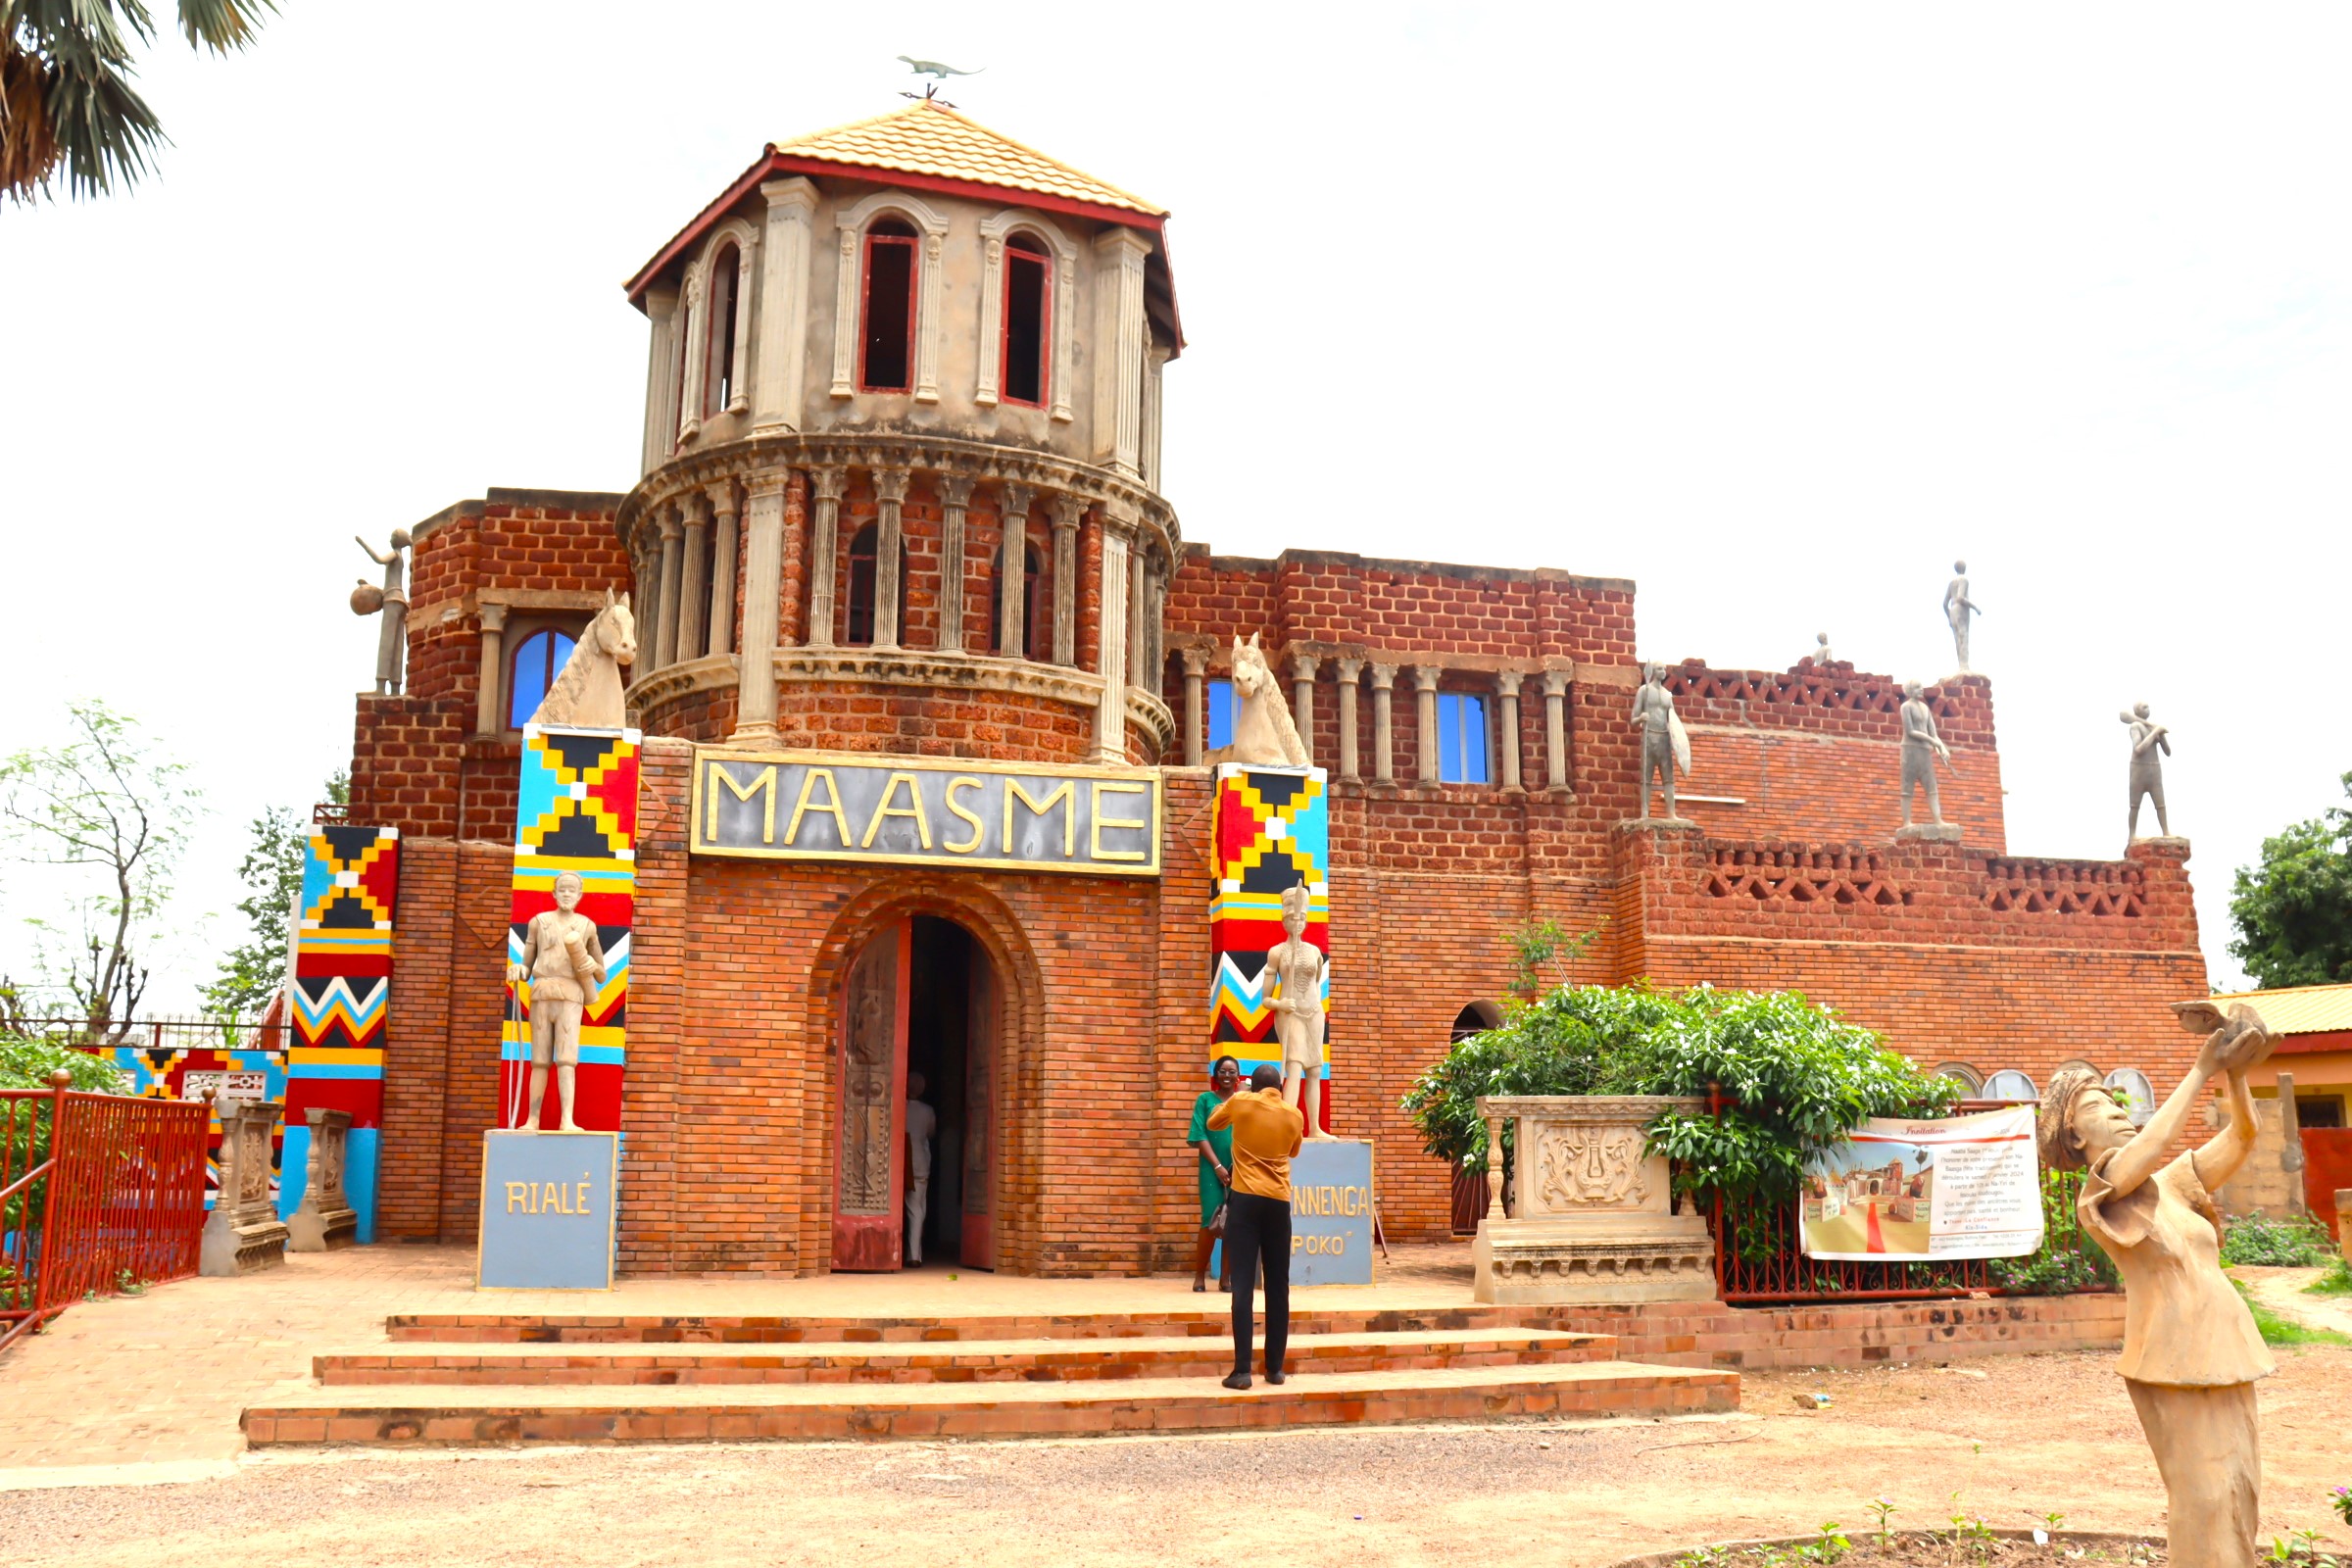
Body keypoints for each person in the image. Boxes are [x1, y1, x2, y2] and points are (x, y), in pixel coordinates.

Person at [2037, 1005, 2274, 1568]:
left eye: (2117, 1101)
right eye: (2097, 1106)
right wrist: (2199, 1069)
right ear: (2073, 1132)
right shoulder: (2102, 1194)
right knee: (2204, 1496)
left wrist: (2235, 1071)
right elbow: (2144, 1153)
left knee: (2241, 1488)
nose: (2117, 1112)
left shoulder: (2171, 1185)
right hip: (2171, 1359)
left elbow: (2243, 1138)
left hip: (2226, 1347)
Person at [1207, 1064, 1303, 1391]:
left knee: (1243, 1285)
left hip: (1246, 1201)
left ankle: (1242, 1372)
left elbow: (1212, 1123)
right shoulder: (1294, 1115)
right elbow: (1293, 1150)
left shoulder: (1241, 1102)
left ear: (1254, 1086)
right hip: (1278, 1203)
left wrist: (1242, 1098)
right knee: (1278, 1287)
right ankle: (1275, 1369)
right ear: (1279, 1086)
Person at [507, 869, 604, 1133]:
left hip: (571, 994)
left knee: (566, 1059)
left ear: (580, 895)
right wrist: (517, 970)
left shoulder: (587, 926)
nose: (567, 894)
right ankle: (532, 1119)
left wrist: (589, 963)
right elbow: (527, 966)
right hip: (541, 992)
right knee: (539, 1060)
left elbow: (601, 973)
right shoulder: (539, 922)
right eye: (562, 889)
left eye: (572, 890)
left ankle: (567, 1120)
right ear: (554, 893)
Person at [1265, 884, 1335, 1143]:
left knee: (1314, 1070)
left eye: (1302, 917)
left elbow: (1316, 984)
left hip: (1313, 1013)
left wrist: (1315, 1008)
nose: (1298, 922)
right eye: (1293, 917)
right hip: (1290, 1014)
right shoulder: (1277, 952)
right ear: (1284, 919)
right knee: (1293, 1068)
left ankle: (1314, 1127)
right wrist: (1281, 1005)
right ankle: (1288, 1128)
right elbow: (1266, 998)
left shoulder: (1315, 951)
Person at [1188, 1056, 1242, 1292]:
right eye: (1222, 1071)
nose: (1227, 1075)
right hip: (1211, 1169)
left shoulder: (1243, 1102)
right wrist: (1218, 1166)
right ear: (1216, 1074)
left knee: (1233, 1223)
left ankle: (1225, 1280)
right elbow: (1199, 1135)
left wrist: (1234, 1166)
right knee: (1209, 1219)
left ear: (1238, 1076)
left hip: (1239, 1169)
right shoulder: (1205, 1100)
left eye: (1231, 1071)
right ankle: (1199, 1276)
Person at [1898, 680, 1951, 828]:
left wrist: (1942, 748)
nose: (1921, 689)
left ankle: (1938, 820)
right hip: (1910, 750)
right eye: (1916, 687)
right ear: (1909, 690)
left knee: (1931, 786)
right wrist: (1931, 741)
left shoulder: (1925, 708)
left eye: (1921, 687)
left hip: (1924, 751)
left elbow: (1934, 733)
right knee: (1907, 787)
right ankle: (1907, 822)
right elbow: (1910, 731)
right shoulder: (1906, 707)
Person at [2123, 702, 2172, 839]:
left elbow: (2168, 752)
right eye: (2144, 707)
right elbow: (2138, 749)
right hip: (2139, 769)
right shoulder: (2136, 726)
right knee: (2135, 805)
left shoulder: (2152, 728)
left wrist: (2161, 736)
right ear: (2137, 711)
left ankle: (2166, 831)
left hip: (2154, 768)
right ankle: (2132, 834)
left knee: (2160, 804)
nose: (2148, 709)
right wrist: (2155, 732)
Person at [905, 1072, 937, 1265]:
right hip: (919, 1163)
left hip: (895, 1162)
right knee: (916, 1210)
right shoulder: (927, 1111)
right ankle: (914, 1256)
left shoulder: (896, 1107)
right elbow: (930, 1133)